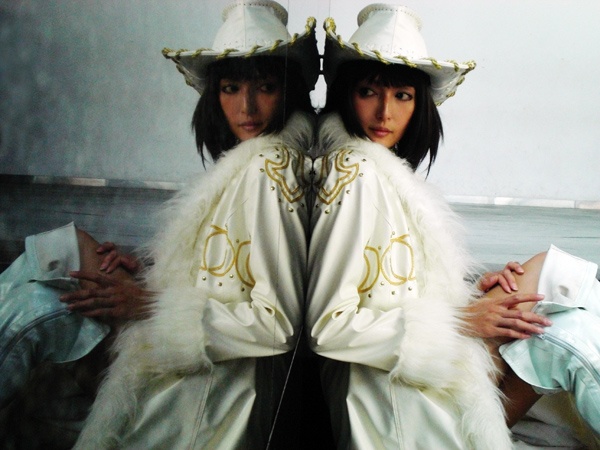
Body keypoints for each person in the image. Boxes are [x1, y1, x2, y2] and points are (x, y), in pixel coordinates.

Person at [306, 4, 600, 449]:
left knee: (559, 318)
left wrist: (472, 294)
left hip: (417, 365)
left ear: (419, 104)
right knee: (560, 303)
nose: (385, 112)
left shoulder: (380, 176)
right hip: (392, 396)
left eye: (402, 96)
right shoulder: (353, 177)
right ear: (347, 95)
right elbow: (328, 325)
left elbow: (392, 284)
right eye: (368, 92)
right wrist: (458, 319)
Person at [73, 1, 319, 448]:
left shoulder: (271, 171)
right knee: (68, 261)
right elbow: (229, 268)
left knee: (47, 285)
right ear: (214, 95)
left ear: (288, 91)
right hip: (201, 376)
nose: (247, 106)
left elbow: (279, 323)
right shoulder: (249, 168)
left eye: (265, 87)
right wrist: (154, 274)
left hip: (209, 399)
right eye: (230, 88)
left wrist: (154, 305)